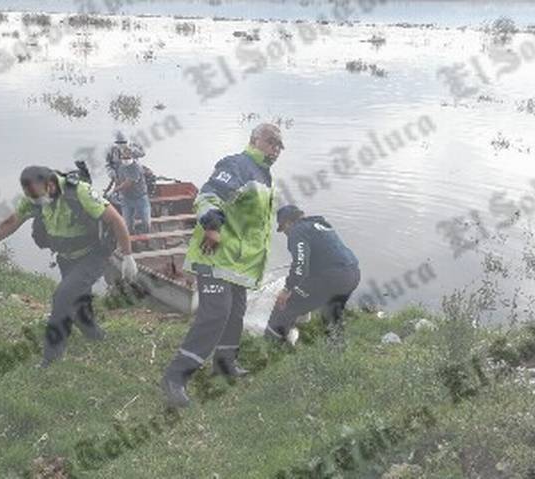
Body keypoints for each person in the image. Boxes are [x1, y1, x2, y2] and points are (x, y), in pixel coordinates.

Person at [161, 124, 284, 408]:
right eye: (271, 143)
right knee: (215, 315)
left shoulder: (265, 176)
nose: (275, 150)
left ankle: (225, 364)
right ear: (255, 140)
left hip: (240, 264)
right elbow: (207, 196)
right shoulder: (237, 165)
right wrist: (212, 226)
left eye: (279, 146)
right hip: (216, 255)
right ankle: (175, 377)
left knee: (235, 314)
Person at [0, 166, 139, 367]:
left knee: (62, 296)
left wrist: (128, 255)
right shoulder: (34, 196)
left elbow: (116, 220)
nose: (36, 203)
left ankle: (50, 358)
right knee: (78, 301)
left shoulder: (80, 192)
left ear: (51, 185)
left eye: (39, 197)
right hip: (65, 257)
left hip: (92, 255)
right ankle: (95, 335)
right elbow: (12, 222)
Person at [264, 205, 360, 346]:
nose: (284, 233)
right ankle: (336, 348)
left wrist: (287, 290)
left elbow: (300, 266)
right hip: (352, 275)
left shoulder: (297, 231)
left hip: (331, 277)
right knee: (331, 311)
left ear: (288, 223)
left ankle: (271, 347)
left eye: (283, 228)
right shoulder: (319, 225)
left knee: (285, 305)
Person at [111, 134, 151, 235]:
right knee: (127, 224)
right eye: (123, 157)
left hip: (140, 198)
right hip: (126, 199)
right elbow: (118, 180)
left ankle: (147, 238)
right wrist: (115, 189)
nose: (125, 159)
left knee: (146, 222)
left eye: (127, 157)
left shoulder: (136, 167)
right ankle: (131, 241)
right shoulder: (120, 167)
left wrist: (116, 190)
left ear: (132, 156)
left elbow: (128, 183)